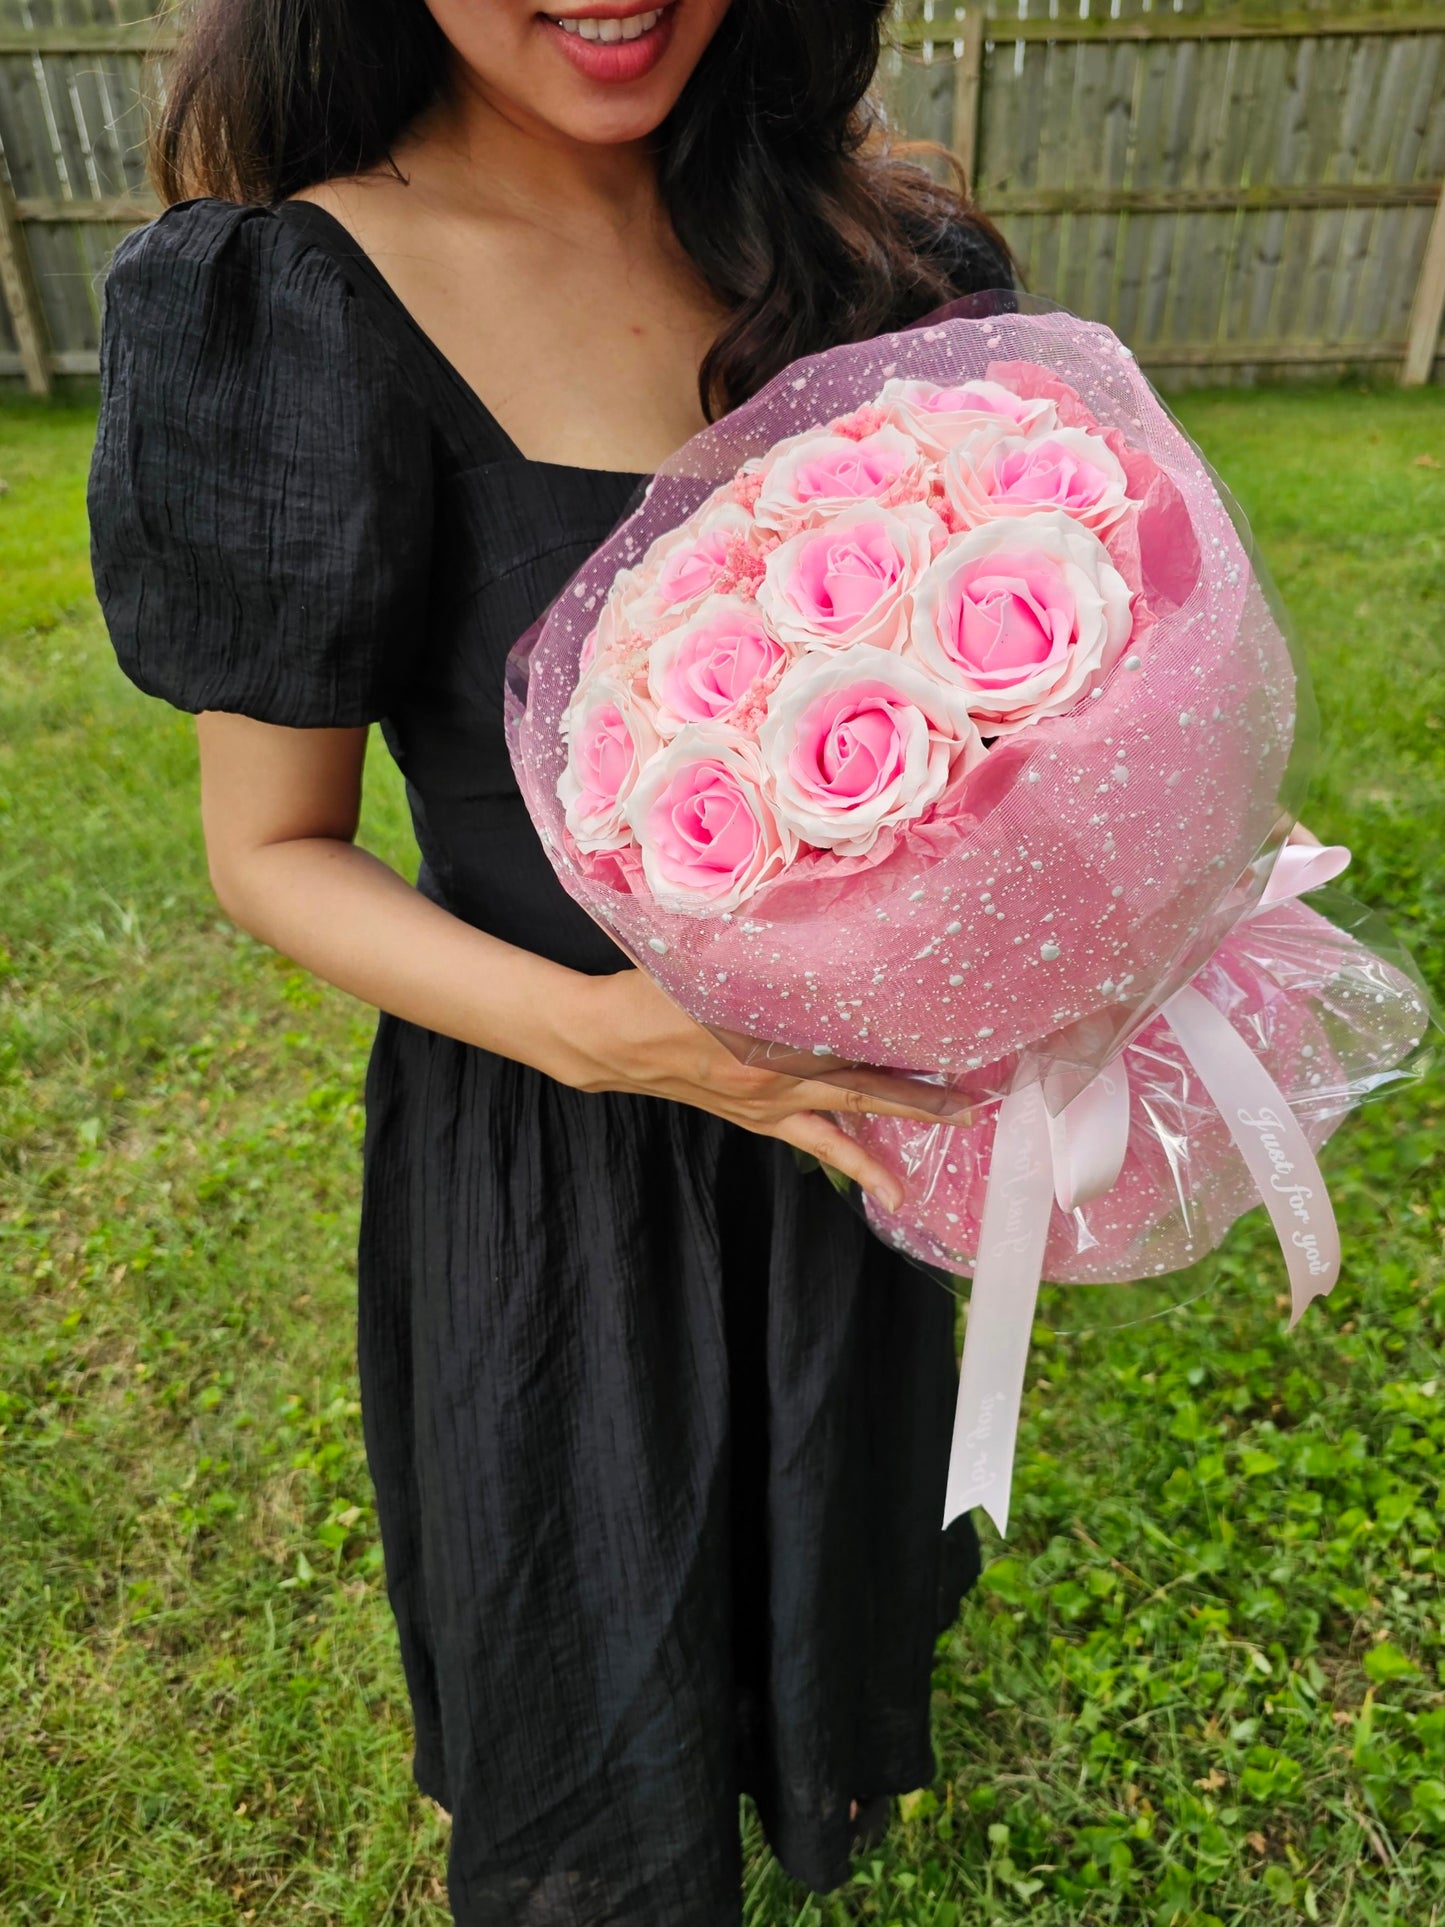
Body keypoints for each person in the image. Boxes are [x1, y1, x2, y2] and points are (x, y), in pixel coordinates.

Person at [87, 2, 1016, 1920]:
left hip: (853, 1157)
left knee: (819, 1588)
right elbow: (272, 852)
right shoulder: (300, 297)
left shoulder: (878, 257)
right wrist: (609, 1040)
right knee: (593, 1722)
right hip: (551, 1164)